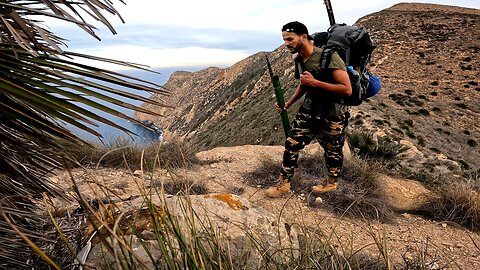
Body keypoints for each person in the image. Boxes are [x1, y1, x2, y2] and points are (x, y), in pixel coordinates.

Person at [266, 21, 352, 197]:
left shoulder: (329, 57)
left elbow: (347, 89)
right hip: (310, 110)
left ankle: (331, 183)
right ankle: (284, 184)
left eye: (290, 39)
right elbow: (303, 85)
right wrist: (288, 103)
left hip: (333, 114)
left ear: (303, 37)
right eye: (284, 39)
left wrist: (316, 83)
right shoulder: (299, 60)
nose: (286, 43)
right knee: (291, 144)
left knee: (332, 150)